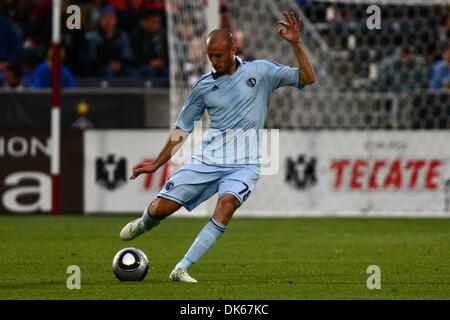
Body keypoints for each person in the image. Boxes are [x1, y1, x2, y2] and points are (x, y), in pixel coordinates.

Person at [119, 11, 315, 283]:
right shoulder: (203, 87)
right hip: (208, 160)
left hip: (245, 164)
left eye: (219, 55)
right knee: (160, 210)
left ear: (234, 49)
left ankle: (181, 268)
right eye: (211, 56)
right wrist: (156, 163)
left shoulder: (261, 72)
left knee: (226, 205)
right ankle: (144, 222)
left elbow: (307, 77)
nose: (214, 61)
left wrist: (296, 44)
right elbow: (182, 129)